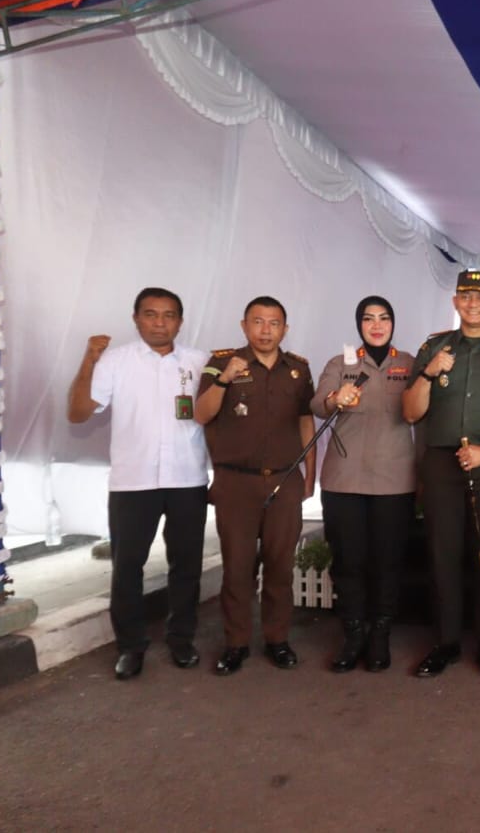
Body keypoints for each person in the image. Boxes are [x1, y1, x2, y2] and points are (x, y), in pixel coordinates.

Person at [66, 287, 209, 680]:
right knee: (128, 567)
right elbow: (78, 413)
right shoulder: (115, 361)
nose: (159, 323)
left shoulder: (200, 362)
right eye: (150, 314)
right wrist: (89, 359)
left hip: (187, 478)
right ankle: (130, 646)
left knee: (186, 565)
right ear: (136, 318)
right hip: (133, 482)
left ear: (180, 321)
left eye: (168, 315)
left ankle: (181, 639)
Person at [403, 270, 480, 681]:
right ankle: (446, 642)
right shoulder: (433, 347)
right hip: (442, 461)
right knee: (442, 553)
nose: (473, 303)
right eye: (466, 296)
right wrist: (429, 372)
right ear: (455, 302)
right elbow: (410, 412)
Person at [196, 296, 315, 676]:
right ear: (244, 326)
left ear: (285, 329)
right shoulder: (221, 363)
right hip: (236, 483)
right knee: (237, 568)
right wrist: (224, 379)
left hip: (284, 479)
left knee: (281, 565)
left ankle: (277, 639)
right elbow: (201, 414)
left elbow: (305, 421)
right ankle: (236, 643)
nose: (266, 330)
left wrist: (310, 474)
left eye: (274, 323)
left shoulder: (298, 370)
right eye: (258, 322)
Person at [312, 296, 417, 673]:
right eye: (368, 319)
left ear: (393, 323)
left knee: (388, 562)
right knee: (348, 561)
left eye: (384, 318)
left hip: (394, 480)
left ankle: (380, 634)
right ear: (359, 324)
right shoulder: (340, 364)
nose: (376, 325)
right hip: (345, 479)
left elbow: (423, 407)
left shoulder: (409, 364)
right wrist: (334, 397)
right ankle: (353, 633)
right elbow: (317, 403)